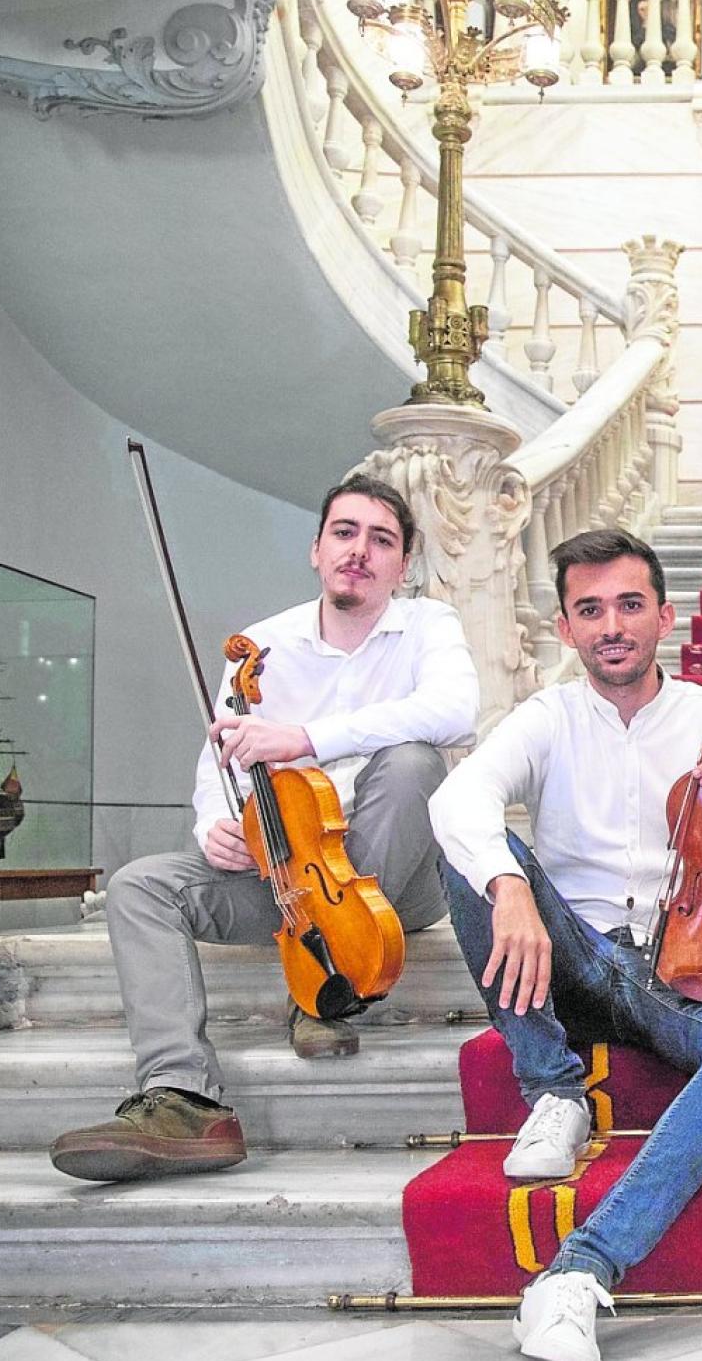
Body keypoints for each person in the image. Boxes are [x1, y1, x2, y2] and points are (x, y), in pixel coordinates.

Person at [429, 527, 702, 1361]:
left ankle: (580, 1271)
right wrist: (509, 887)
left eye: (629, 605)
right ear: (565, 628)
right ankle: (554, 1090)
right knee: (474, 849)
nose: (611, 626)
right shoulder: (548, 715)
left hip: (675, 968)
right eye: (589, 610)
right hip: (570, 954)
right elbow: (462, 799)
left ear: (664, 615)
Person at [49, 476, 479, 1183]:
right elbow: (217, 760)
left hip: (392, 893)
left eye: (382, 540)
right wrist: (217, 823)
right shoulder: (263, 646)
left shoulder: (428, 626)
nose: (360, 551)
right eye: (345, 532)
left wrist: (304, 737)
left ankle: (324, 984)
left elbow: (455, 710)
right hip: (286, 883)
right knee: (139, 887)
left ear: (402, 567)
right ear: (316, 549)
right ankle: (184, 1099)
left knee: (410, 765)